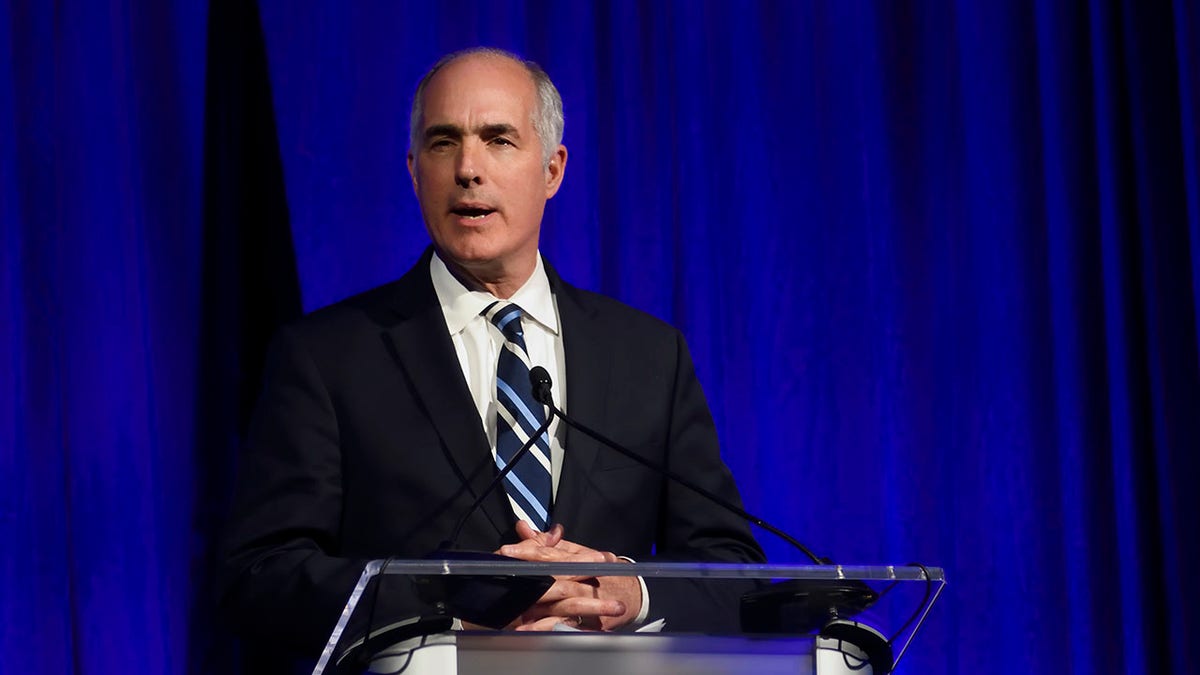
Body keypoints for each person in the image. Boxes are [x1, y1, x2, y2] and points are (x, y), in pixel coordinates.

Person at [219, 47, 765, 658]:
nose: (468, 169)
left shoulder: (647, 355)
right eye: (443, 142)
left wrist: (632, 591)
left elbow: (732, 571)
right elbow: (261, 579)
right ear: (414, 170)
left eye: (499, 139)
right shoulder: (327, 356)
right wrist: (448, 601)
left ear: (553, 171)